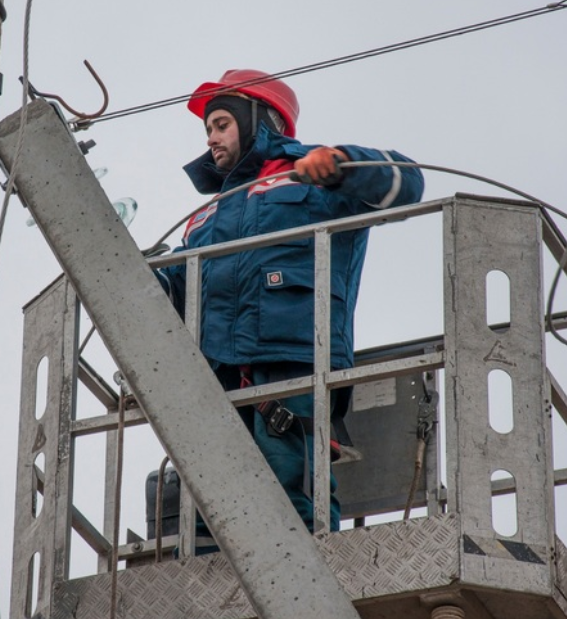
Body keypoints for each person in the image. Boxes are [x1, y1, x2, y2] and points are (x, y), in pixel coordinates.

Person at [157, 69, 424, 538]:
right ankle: (230, 610)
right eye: (208, 130)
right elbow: (178, 289)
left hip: (292, 361)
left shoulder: (311, 173)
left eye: (221, 124)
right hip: (216, 375)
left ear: (259, 119)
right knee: (206, 511)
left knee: (291, 493)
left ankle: (301, 604)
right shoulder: (206, 214)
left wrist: (342, 164)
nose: (212, 139)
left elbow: (407, 183)